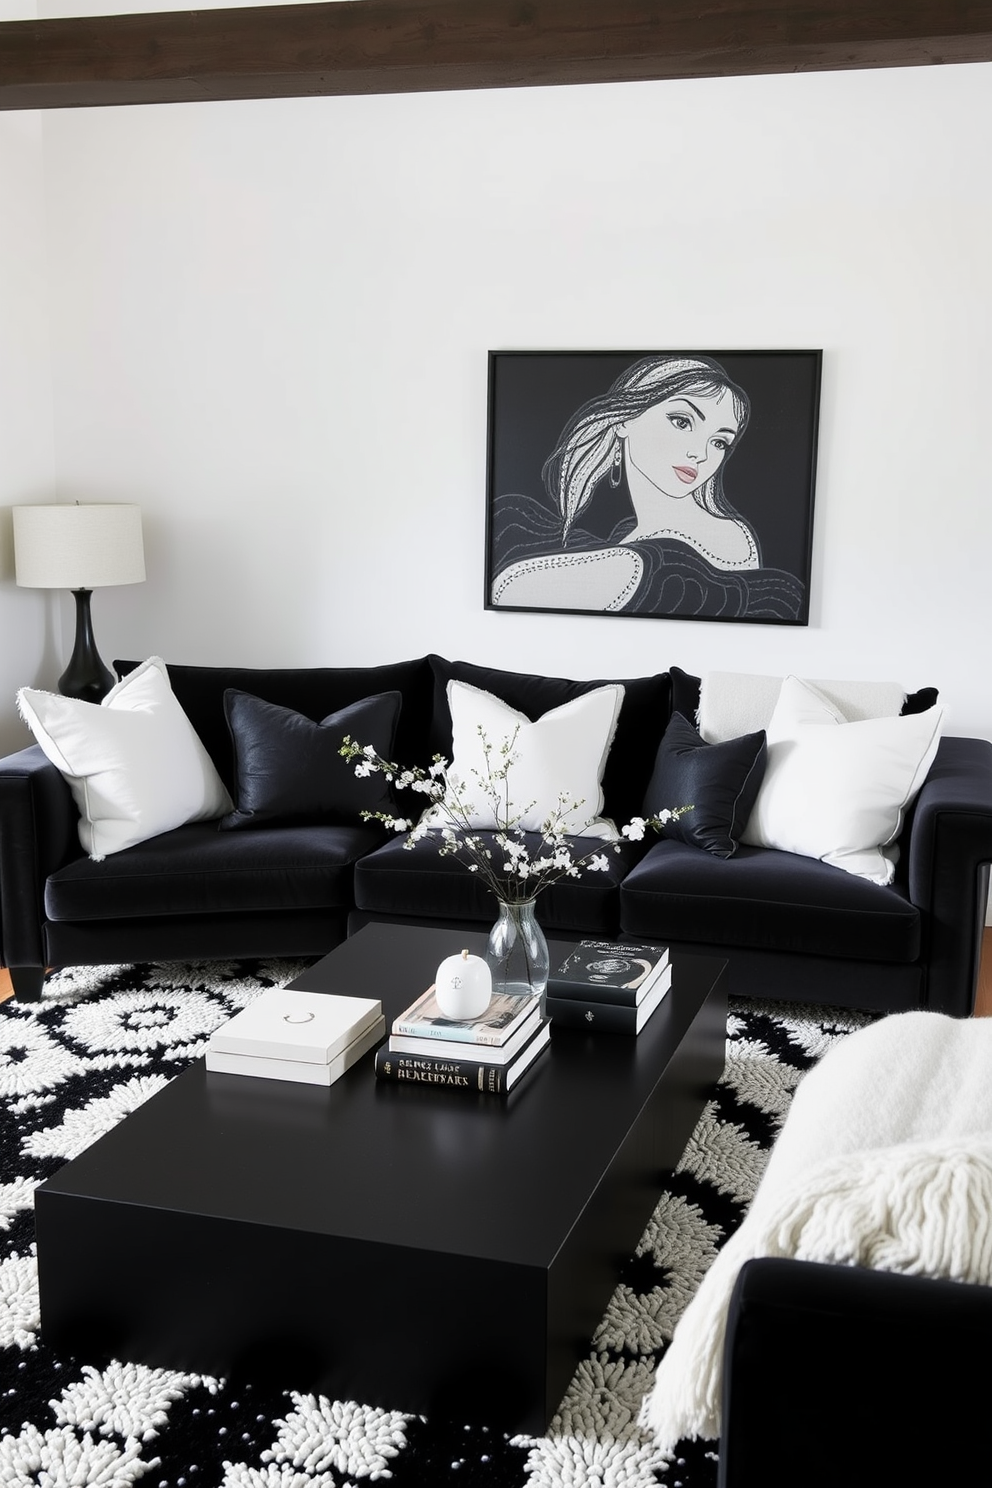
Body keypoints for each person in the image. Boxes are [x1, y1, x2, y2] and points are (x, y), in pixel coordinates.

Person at [490, 354, 804, 621]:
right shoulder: (631, 534)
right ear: (625, 419)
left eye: (720, 441)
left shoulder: (717, 539)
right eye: (682, 421)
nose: (702, 454)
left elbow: (510, 589)